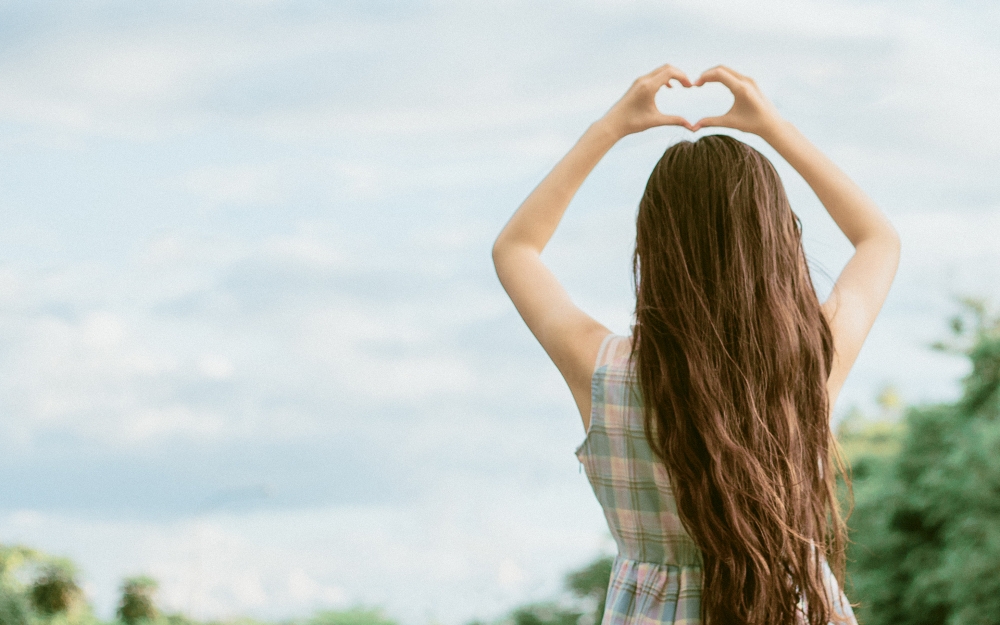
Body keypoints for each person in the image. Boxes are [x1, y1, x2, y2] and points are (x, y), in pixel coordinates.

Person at [491, 64, 900, 625]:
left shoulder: (603, 369)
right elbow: (879, 239)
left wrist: (610, 127)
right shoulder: (809, 359)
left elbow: (516, 249)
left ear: (653, 243)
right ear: (778, 237)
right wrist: (774, 127)